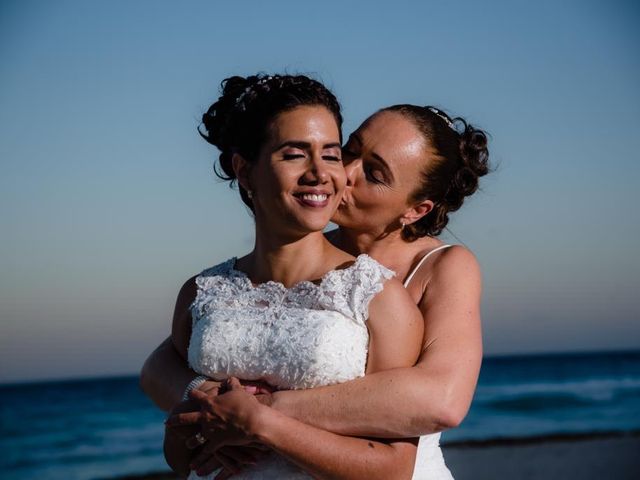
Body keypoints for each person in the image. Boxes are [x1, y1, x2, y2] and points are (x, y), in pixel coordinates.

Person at [143, 81, 489, 479]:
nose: (342, 172)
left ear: (415, 210)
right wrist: (202, 397)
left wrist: (262, 412)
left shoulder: (437, 268)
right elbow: (159, 365)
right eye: (349, 151)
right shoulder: (290, 253)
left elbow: (441, 400)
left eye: (374, 173)